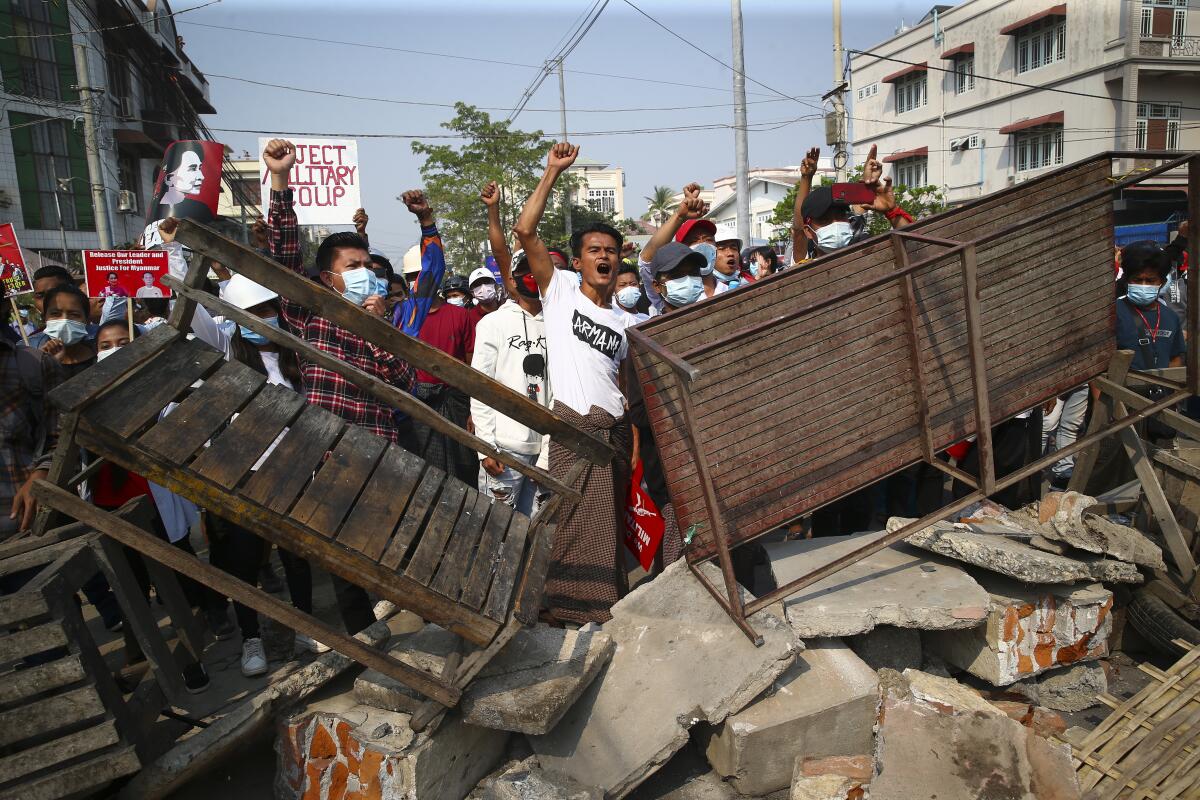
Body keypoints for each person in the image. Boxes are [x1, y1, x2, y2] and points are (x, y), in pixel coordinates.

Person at [264, 138, 417, 634]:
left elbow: (404, 380)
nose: (366, 274)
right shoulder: (312, 314)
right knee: (343, 539)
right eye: (352, 267)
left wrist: (383, 332)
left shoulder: (383, 323)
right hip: (332, 447)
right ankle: (360, 630)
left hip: (383, 447)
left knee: (384, 534)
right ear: (329, 279)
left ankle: (385, 608)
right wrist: (281, 180)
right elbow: (285, 257)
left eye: (368, 266)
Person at [514, 142, 631, 625]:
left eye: (611, 251)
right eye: (594, 250)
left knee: (606, 524)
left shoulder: (629, 322)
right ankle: (562, 608)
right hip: (570, 428)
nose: (603, 257)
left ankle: (602, 605)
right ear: (579, 261)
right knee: (568, 522)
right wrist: (552, 172)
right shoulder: (559, 290)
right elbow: (525, 230)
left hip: (614, 431)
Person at [187, 275, 321, 676]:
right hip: (242, 479)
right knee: (244, 563)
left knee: (296, 560)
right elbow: (195, 316)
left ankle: (304, 627)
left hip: (292, 475)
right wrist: (174, 252)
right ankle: (251, 639)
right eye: (251, 313)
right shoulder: (228, 350)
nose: (263, 319)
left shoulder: (294, 359)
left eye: (267, 310)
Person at [791, 145, 910, 265]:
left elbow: (915, 247)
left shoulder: (868, 252)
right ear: (808, 231)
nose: (836, 224)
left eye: (841, 216)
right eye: (825, 220)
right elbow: (798, 228)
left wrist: (891, 210)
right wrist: (806, 177)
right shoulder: (804, 264)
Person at [411, 273, 478, 484]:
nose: (418, 281)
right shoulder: (405, 315)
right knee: (426, 467)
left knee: (464, 463)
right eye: (412, 277)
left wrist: (474, 409)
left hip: (457, 400)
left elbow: (471, 364)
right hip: (420, 400)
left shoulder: (460, 315)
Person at [39, 284, 96, 379]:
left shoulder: (100, 358)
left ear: (87, 320)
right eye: (55, 314)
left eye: (74, 314)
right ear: (45, 318)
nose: (64, 321)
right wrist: (46, 365)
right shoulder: (34, 364)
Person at [150, 140, 212, 223]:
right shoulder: (155, 213)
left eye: (199, 168)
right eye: (192, 168)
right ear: (169, 179)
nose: (201, 176)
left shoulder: (201, 210)